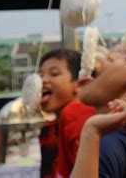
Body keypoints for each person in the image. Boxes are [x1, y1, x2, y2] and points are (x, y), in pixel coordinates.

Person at [38, 49, 95, 178]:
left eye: (54, 73)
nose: (43, 80)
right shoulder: (50, 128)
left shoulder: (76, 115)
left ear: (78, 83)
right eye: (40, 75)